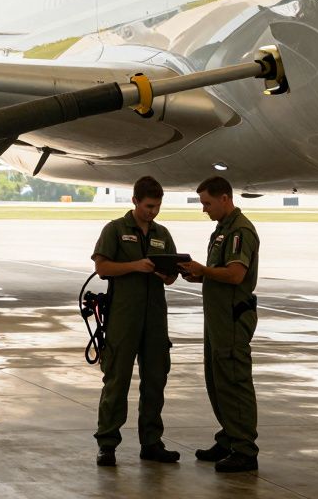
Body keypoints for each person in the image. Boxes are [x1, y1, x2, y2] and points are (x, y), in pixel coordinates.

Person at [91, 176, 180, 467]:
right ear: (135, 201)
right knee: (116, 380)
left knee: (155, 379)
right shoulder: (115, 230)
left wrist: (168, 274)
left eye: (157, 207)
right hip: (123, 318)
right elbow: (102, 267)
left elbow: (171, 275)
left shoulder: (162, 233)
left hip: (154, 319)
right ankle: (107, 443)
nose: (153, 212)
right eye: (148, 206)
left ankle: (151, 442)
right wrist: (135, 266)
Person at [179, 176, 260, 473]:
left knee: (234, 381)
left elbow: (236, 275)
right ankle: (229, 438)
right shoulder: (223, 230)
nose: (204, 209)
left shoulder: (239, 231)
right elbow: (220, 273)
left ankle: (245, 450)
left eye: (207, 203)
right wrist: (199, 275)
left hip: (232, 318)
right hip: (218, 318)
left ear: (224, 198)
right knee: (217, 381)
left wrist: (204, 270)